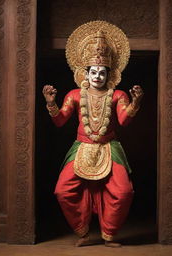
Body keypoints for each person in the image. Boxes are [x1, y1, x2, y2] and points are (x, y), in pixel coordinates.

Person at [42, 21, 143, 247]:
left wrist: (135, 102)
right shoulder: (75, 95)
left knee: (124, 192)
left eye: (102, 72)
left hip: (109, 147)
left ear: (109, 74)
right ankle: (83, 232)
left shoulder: (117, 95)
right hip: (82, 147)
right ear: (85, 73)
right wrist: (51, 104)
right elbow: (60, 121)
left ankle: (109, 234)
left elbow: (124, 120)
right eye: (94, 72)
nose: (98, 76)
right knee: (62, 191)